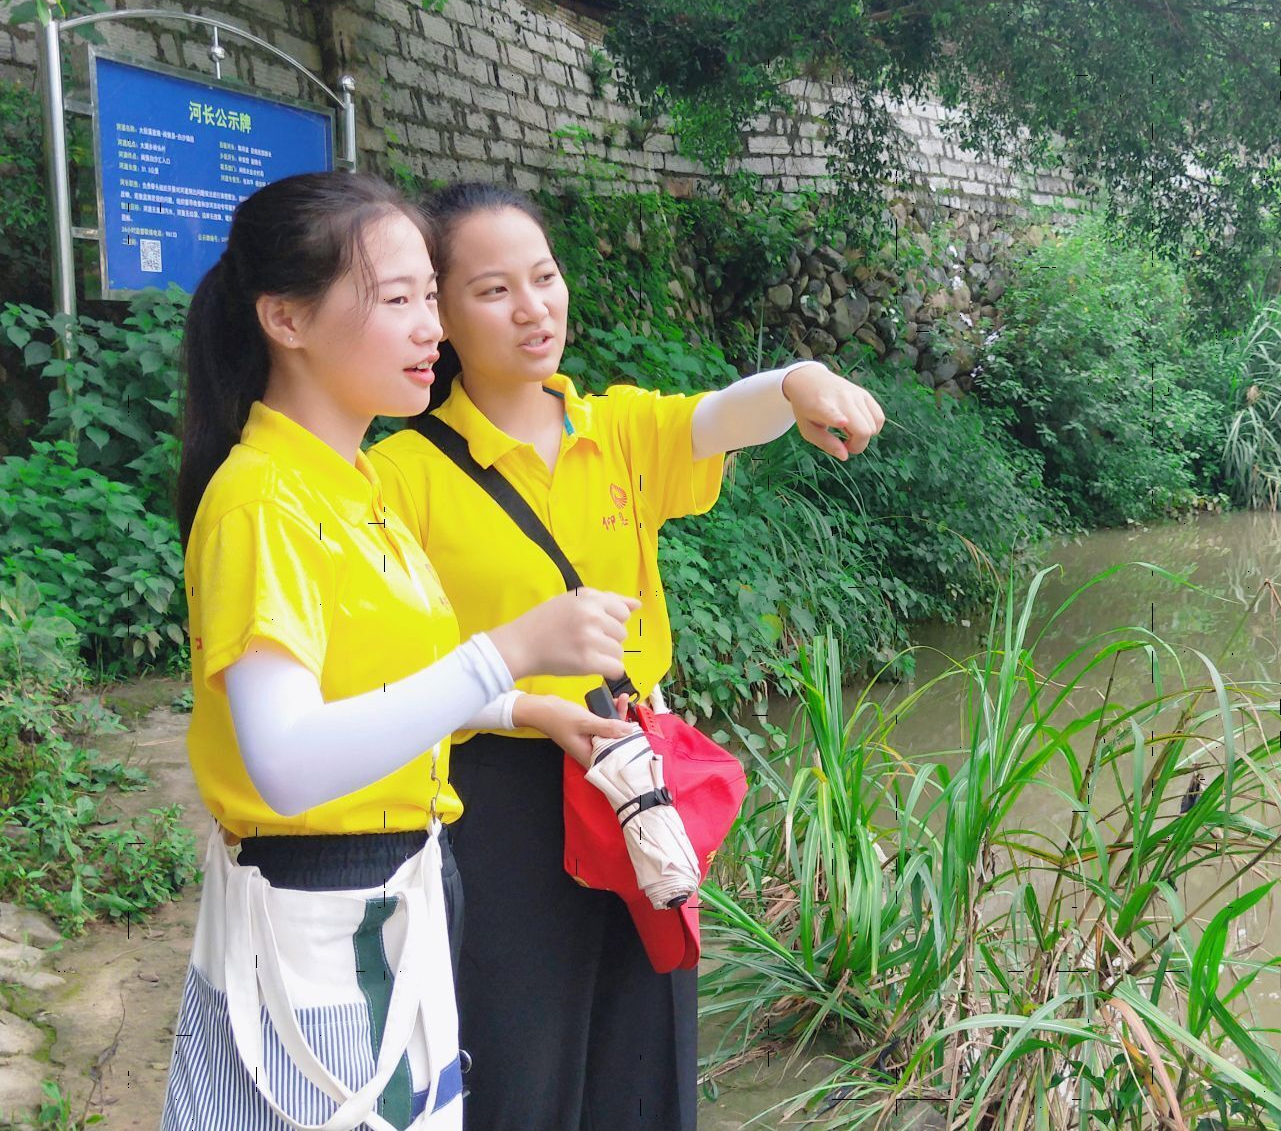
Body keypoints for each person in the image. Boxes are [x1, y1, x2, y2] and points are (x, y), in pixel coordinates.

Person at [367, 181, 887, 1129]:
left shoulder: (613, 430)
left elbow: (720, 418)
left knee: (645, 1055)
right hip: (498, 795)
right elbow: (388, 682)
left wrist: (797, 380)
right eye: (494, 290)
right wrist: (524, 704)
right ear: (439, 314)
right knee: (518, 1059)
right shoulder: (398, 477)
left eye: (545, 277)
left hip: (631, 780)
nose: (533, 308)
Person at [160, 171, 641, 1128]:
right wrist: (506, 652)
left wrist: (523, 706)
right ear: (285, 320)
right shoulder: (265, 503)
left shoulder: (354, 483)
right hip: (321, 915)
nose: (432, 328)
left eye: (431, 296)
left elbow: (377, 682)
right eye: (396, 301)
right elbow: (288, 763)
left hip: (397, 892)